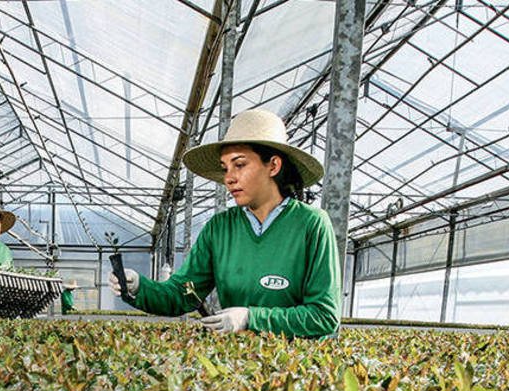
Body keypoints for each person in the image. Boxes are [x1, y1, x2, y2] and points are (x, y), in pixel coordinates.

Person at [110, 109, 341, 338]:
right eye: (225, 168)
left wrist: (250, 318)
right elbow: (183, 294)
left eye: (239, 165)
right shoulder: (220, 228)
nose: (229, 178)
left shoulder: (311, 224)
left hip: (296, 370)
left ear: (273, 166)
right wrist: (140, 287)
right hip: (237, 365)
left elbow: (324, 316)